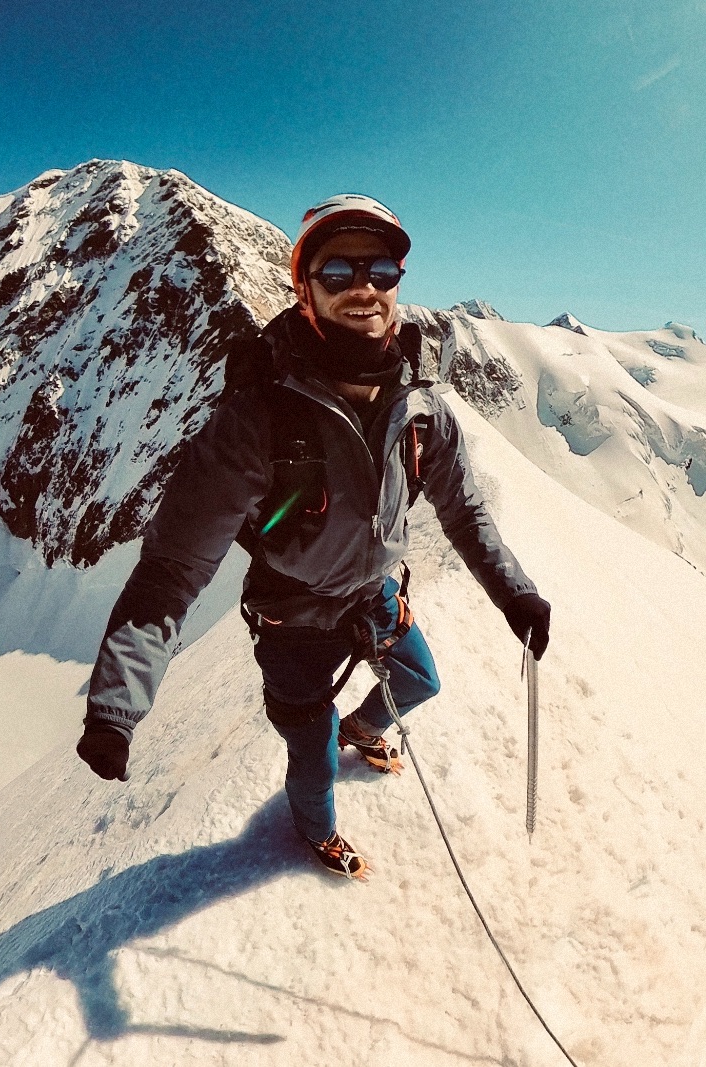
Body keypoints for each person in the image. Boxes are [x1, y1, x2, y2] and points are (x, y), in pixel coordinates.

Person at [77, 194, 551, 880]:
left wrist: (517, 596)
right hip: (292, 620)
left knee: (421, 681)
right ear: (304, 290)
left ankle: (364, 726)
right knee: (314, 753)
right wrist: (116, 708)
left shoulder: (421, 408)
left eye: (381, 270)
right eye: (338, 273)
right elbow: (173, 569)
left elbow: (465, 512)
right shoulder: (258, 416)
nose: (364, 288)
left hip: (373, 597)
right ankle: (316, 829)